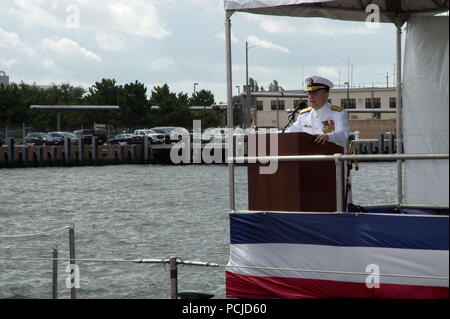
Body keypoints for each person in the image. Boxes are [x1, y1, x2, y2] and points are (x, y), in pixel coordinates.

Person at [287, 76, 350, 151]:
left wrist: (328, 137)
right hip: (309, 158)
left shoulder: (338, 113)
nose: (311, 97)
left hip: (333, 159)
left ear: (326, 95)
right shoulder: (304, 115)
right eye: (309, 93)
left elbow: (344, 133)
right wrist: (274, 134)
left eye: (314, 93)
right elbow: (290, 132)